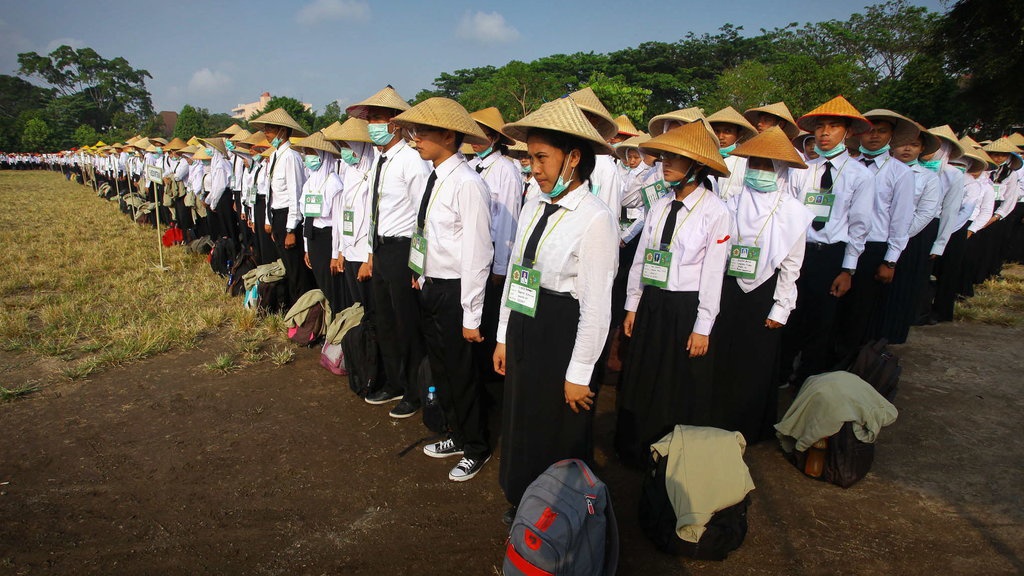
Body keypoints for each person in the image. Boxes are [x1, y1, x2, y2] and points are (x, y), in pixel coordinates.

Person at [493, 97, 618, 523]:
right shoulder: (534, 202)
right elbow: (516, 272)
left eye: (542, 158)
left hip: (561, 330)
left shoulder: (595, 218)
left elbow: (597, 306)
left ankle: (555, 513)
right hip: (526, 321)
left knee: (555, 427)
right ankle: (523, 498)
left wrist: (579, 373)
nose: (534, 168)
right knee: (522, 418)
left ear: (574, 158)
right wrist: (503, 335)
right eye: (529, 158)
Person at [616, 120, 730, 468]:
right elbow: (641, 257)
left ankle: (671, 453)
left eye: (675, 159)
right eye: (664, 157)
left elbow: (713, 273)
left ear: (696, 167)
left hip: (685, 306)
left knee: (675, 383)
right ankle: (636, 446)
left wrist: (703, 326)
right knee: (644, 375)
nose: (665, 164)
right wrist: (632, 305)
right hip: (652, 302)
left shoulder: (715, 211)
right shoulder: (661, 205)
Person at [391, 98, 494, 482]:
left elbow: (478, 253)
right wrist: (420, 272)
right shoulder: (435, 178)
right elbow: (430, 235)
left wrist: (471, 313)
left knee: (462, 372)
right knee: (442, 368)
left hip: (456, 292)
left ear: (449, 135)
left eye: (422, 133)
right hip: (431, 284)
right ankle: (455, 432)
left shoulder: (468, 184)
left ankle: (476, 446)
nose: (414, 140)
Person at [709, 127, 815, 443]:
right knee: (723, 357)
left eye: (768, 166)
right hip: (729, 289)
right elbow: (719, 246)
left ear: (781, 170)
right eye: (755, 164)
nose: (760, 172)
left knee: (755, 362)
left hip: (764, 294)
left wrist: (782, 307)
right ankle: (716, 420)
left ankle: (748, 426)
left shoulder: (795, 213)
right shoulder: (731, 202)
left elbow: (791, 266)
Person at [346, 86, 430, 419]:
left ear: (394, 122)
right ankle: (395, 381)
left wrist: (418, 265)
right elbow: (373, 211)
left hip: (403, 249)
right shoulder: (379, 160)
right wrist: (370, 256)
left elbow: (423, 216)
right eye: (370, 120)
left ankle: (415, 390)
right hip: (381, 249)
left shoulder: (411, 160)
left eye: (378, 119)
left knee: (407, 323)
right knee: (385, 320)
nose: (372, 126)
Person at [780, 96, 874, 387]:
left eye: (833, 127)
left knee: (822, 321)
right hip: (799, 251)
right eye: (820, 127)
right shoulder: (802, 170)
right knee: (791, 313)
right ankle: (781, 373)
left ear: (847, 133)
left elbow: (859, 226)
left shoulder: (860, 175)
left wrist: (848, 269)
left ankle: (807, 381)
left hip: (830, 254)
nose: (824, 132)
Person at [835, 109, 916, 353]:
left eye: (881, 131)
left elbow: (901, 220)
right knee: (834, 308)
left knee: (860, 310)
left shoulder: (900, 173)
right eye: (870, 130)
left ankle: (850, 361)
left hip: (873, 246)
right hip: (841, 242)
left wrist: (890, 260)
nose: (874, 136)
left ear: (891, 135)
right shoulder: (844, 167)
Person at [467, 107, 523, 388]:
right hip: (475, 254)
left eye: (483, 135)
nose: (476, 141)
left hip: (493, 258)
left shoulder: (506, 171)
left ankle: (492, 383)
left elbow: (506, 223)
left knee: (489, 320)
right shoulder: (474, 165)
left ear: (495, 138)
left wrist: (501, 265)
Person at [879, 124, 943, 340]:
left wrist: (900, 235)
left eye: (914, 145)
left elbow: (926, 212)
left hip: (910, 238)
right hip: (877, 236)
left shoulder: (928, 177)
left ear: (922, 149)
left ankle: (890, 335)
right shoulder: (881, 169)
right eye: (903, 144)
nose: (907, 149)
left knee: (900, 288)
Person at [250, 107, 313, 309]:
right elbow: (272, 192)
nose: (267, 134)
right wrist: (270, 220)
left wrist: (290, 229)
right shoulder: (277, 156)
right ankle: (293, 306)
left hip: (289, 217)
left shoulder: (291, 157)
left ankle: (302, 309)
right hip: (277, 216)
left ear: (282, 131)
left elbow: (295, 193)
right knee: (287, 265)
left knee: (296, 269)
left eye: (270, 130)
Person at [295, 130, 347, 315]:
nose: (309, 157)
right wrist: (307, 248)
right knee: (321, 282)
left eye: (312, 153)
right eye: (306, 152)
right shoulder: (310, 182)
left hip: (328, 239)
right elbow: (306, 216)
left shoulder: (334, 183)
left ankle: (339, 321)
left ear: (323, 156)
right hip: (313, 237)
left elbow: (337, 223)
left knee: (333, 284)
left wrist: (335, 254)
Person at [706, 106, 758, 200]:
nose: (721, 137)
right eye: (717, 131)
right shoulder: (704, 159)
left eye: (727, 131)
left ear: (738, 134)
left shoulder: (746, 162)